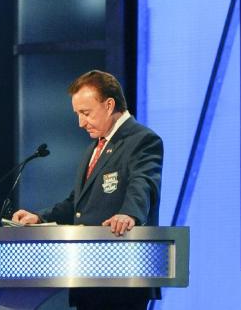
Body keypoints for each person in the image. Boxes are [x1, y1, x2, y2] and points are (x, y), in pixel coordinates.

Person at [12, 69, 163, 309]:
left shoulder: (142, 139)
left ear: (109, 105)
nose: (80, 123)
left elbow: (143, 183)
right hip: (88, 274)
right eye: (77, 114)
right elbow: (77, 204)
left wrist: (130, 214)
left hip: (121, 275)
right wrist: (40, 217)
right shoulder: (95, 148)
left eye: (85, 113)